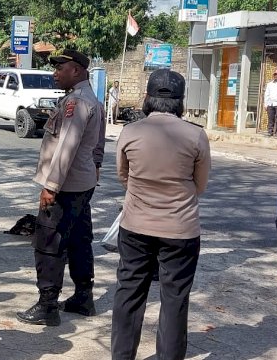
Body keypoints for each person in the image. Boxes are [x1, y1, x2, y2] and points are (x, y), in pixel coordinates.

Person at [111, 69, 211, 359]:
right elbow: (200, 185)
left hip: (135, 226)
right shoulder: (196, 135)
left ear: (147, 98)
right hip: (181, 229)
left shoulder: (130, 132)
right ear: (181, 102)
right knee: (175, 299)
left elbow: (123, 176)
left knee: (129, 293)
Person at [17, 49, 105, 326]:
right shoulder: (89, 99)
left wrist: (51, 186)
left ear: (76, 70)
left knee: (48, 242)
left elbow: (66, 146)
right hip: (82, 183)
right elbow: (98, 147)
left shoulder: (77, 103)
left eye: (60, 68)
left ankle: (47, 306)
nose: (55, 73)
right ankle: (82, 297)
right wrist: (93, 173)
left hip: (65, 186)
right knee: (79, 239)